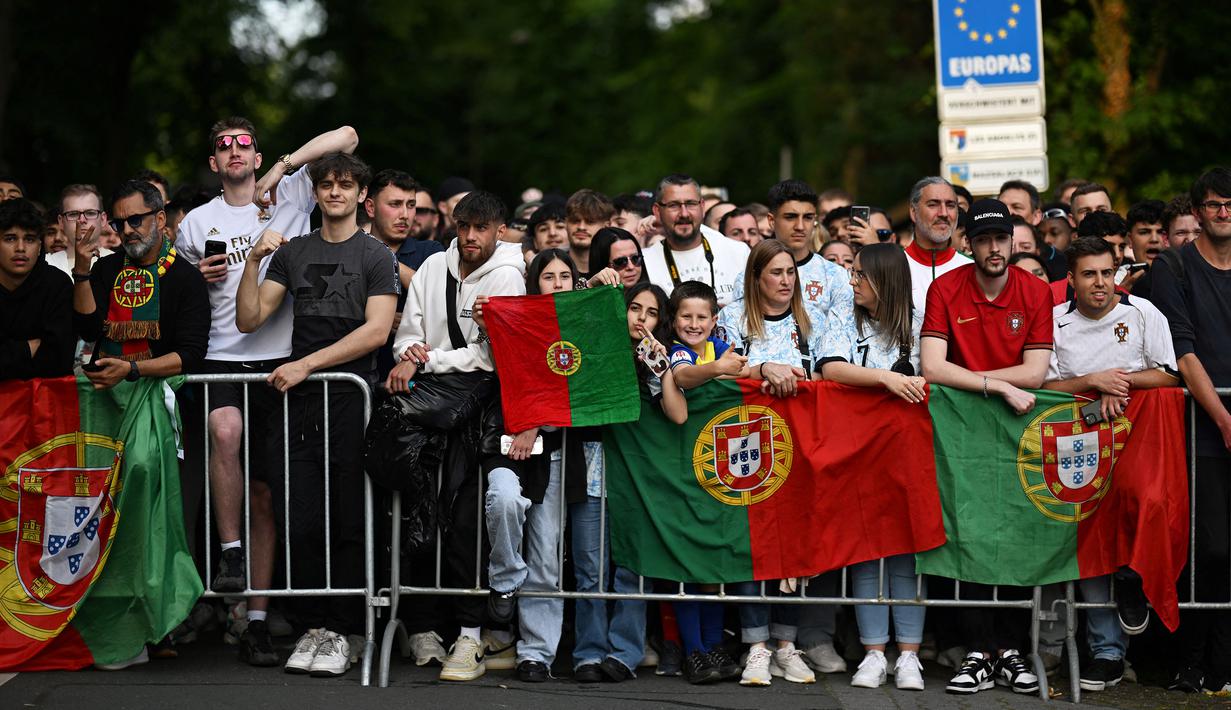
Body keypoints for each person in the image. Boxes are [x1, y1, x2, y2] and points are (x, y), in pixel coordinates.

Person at [177, 117, 360, 665]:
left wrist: (283, 167)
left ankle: (256, 619)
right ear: (213, 163)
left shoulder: (295, 190)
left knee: (265, 493)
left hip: (281, 359)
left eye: (244, 144)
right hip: (221, 358)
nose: (234, 151)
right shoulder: (194, 223)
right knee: (223, 430)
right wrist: (200, 275)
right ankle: (229, 553)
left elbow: (347, 137)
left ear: (256, 155)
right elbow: (185, 296)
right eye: (223, 146)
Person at [235, 152, 398, 678]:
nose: (334, 193)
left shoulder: (376, 255)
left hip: (352, 398)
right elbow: (249, 317)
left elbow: (377, 332)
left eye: (345, 185)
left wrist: (306, 363)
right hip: (300, 402)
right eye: (326, 184)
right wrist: (252, 261)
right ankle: (314, 625)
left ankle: (346, 630)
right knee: (300, 517)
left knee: (350, 516)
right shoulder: (295, 250)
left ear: (360, 196)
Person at [386, 190, 529, 682]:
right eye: (464, 226)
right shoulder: (430, 268)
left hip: (485, 412)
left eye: (481, 229)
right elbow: (407, 330)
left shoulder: (510, 275)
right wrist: (409, 354)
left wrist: (426, 361)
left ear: (500, 231)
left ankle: (477, 632)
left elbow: (491, 359)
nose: (471, 237)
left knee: (475, 513)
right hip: (433, 410)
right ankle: (433, 625)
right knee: (423, 509)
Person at [919, 198, 1051, 696]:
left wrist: (977, 380)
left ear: (1013, 241)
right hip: (962, 426)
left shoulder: (1034, 291)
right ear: (967, 243)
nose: (995, 249)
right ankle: (977, 651)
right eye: (984, 240)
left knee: (1017, 530)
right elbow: (932, 366)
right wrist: (996, 385)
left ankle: (1013, 649)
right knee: (968, 529)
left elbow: (1036, 372)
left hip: (1020, 425)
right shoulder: (945, 287)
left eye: (1002, 239)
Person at [1041, 236, 1178, 693]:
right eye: (1089, 274)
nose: (1100, 284)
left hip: (1139, 441)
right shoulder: (1055, 322)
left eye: (1107, 272)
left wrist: (1119, 385)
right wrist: (1089, 382)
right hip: (1077, 446)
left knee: (1143, 505)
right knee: (1093, 541)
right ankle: (1106, 653)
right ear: (1072, 281)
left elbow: (1167, 373)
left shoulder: (1143, 313)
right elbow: (1043, 385)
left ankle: (1134, 578)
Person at [818, 242, 928, 692]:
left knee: (907, 551)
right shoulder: (843, 313)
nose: (852, 281)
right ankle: (873, 653)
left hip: (908, 452)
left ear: (884, 278)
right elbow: (831, 368)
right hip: (858, 449)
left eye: (861, 275)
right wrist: (886, 378)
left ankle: (909, 656)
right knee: (866, 549)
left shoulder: (918, 322)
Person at [571, 280, 688, 685]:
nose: (641, 318)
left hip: (637, 475)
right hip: (592, 470)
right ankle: (587, 652)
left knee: (632, 568)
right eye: (634, 308)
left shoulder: (660, 356)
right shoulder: (595, 348)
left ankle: (625, 652)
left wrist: (664, 369)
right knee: (590, 568)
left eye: (652, 312)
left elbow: (677, 415)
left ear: (662, 320)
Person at [1151, 167, 1231, 694]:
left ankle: (1223, 667)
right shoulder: (1173, 266)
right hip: (1199, 426)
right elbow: (1181, 350)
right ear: (1197, 211)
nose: (1225, 212)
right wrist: (1224, 418)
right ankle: (1191, 660)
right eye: (1216, 204)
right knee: (1211, 550)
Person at [73, 180, 210, 391]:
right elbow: (89, 332)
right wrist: (82, 272)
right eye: (119, 224)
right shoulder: (105, 268)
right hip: (107, 394)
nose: (126, 231)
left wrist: (132, 369)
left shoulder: (187, 277)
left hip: (166, 396)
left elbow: (191, 354)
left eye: (135, 220)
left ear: (161, 219)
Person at [642, 174, 750, 306]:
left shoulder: (738, 252)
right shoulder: (645, 261)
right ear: (657, 211)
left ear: (702, 207)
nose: (684, 214)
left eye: (691, 204)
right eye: (673, 205)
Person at [0, 198, 74, 379]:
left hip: (45, 401)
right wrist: (27, 348)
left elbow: (59, 362)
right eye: (10, 238)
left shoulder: (58, 285)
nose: (20, 248)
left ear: (40, 245)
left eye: (30, 239)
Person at [903, 177, 972, 312]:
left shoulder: (973, 268)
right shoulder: (891, 267)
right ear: (913, 212)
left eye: (951, 205)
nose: (944, 213)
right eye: (933, 204)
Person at [366, 169, 443, 273]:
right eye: (395, 204)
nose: (405, 215)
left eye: (411, 205)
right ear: (371, 207)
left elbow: (431, 289)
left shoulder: (430, 251)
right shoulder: (353, 252)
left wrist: (387, 260)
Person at [565, 189, 614, 279]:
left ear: (606, 226)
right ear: (566, 223)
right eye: (575, 220)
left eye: (590, 221)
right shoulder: (552, 267)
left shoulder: (619, 265)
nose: (581, 227)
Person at [1124, 200, 1167, 300]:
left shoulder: (1189, 280)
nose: (1154, 239)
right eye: (1144, 232)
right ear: (1130, 240)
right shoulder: (1113, 283)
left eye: (1161, 232)